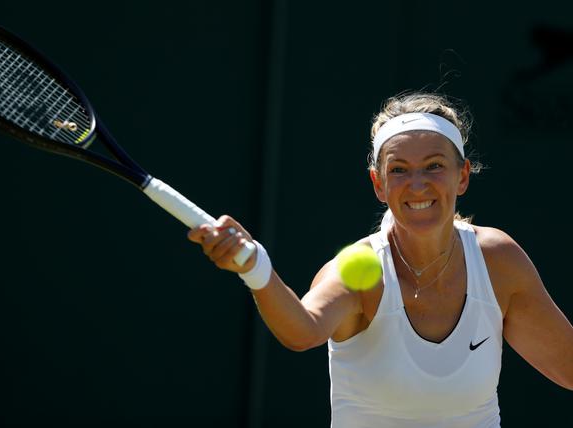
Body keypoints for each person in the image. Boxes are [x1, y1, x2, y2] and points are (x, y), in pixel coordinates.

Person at [187, 92, 573, 427]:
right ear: (379, 184)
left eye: (435, 165)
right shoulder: (359, 270)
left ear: (463, 176)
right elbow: (302, 330)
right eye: (399, 170)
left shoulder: (498, 261)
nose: (418, 184)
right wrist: (256, 268)